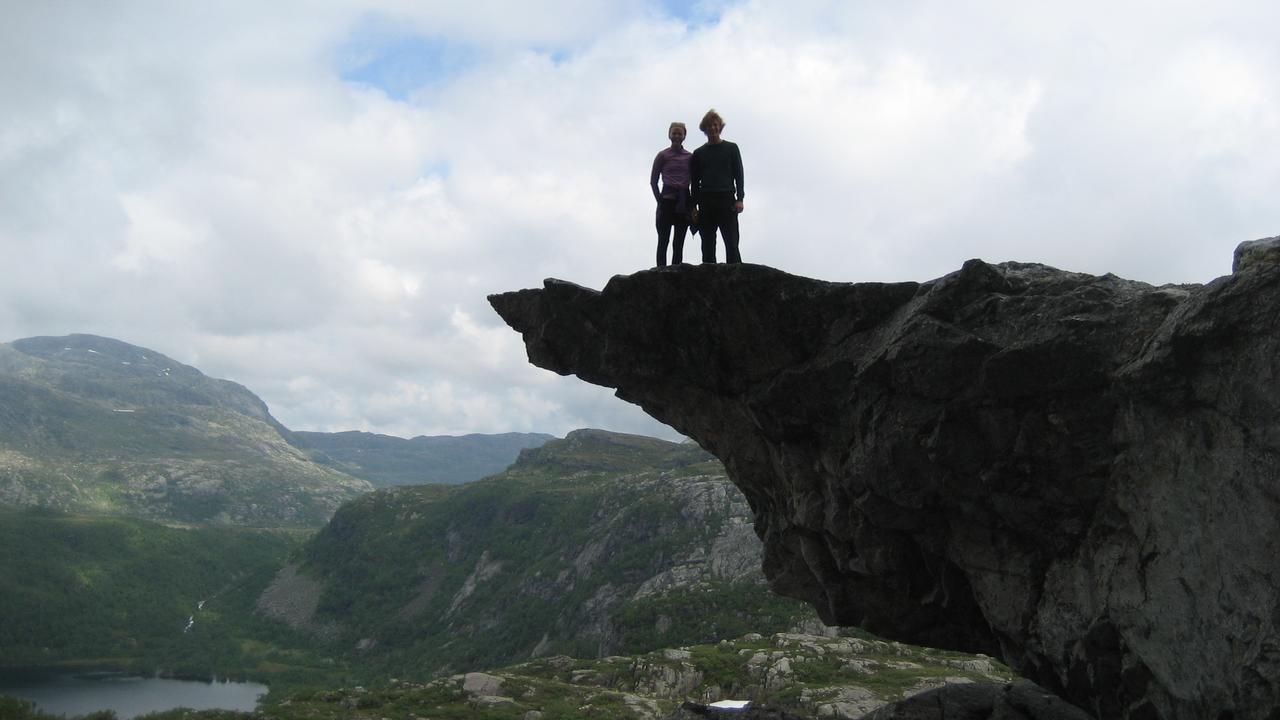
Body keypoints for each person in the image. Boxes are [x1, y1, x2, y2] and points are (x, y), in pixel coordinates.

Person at [690, 108, 744, 264]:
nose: (712, 128)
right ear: (704, 129)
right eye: (709, 126)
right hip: (706, 201)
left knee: (732, 243)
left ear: (720, 127)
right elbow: (694, 182)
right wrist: (694, 206)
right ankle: (708, 282)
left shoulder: (732, 148)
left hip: (727, 199)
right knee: (707, 245)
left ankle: (736, 279)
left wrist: (740, 198)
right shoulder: (699, 153)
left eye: (715, 125)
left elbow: (739, 175)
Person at [650, 122, 692, 267]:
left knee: (678, 242)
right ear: (669, 135)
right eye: (674, 133)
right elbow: (653, 181)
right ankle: (660, 271)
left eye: (680, 133)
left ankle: (676, 272)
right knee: (663, 239)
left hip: (683, 200)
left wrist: (692, 205)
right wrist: (659, 201)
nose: (677, 136)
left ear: (684, 136)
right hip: (667, 199)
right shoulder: (662, 155)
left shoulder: (690, 157)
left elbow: (695, 178)